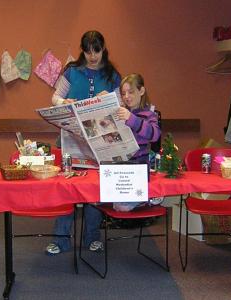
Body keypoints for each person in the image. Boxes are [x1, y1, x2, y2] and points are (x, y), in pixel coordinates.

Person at [46, 30, 121, 255]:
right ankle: (61, 240)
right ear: (82, 51)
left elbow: (120, 104)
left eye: (96, 50)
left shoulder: (112, 74)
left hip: (100, 138)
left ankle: (91, 238)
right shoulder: (71, 71)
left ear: (103, 47)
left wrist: (110, 98)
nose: (92, 56)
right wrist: (64, 101)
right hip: (71, 137)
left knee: (95, 191)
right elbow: (55, 98)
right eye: (87, 51)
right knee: (67, 188)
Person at [113, 73, 161, 212]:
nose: (126, 96)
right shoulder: (120, 113)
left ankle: (142, 199)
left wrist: (131, 119)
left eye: (131, 92)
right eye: (123, 93)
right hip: (118, 169)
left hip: (136, 171)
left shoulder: (149, 114)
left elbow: (154, 134)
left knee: (121, 207)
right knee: (93, 197)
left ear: (141, 91)